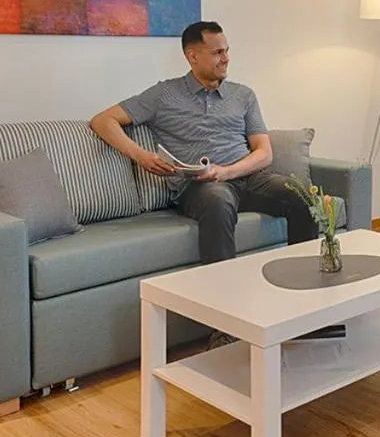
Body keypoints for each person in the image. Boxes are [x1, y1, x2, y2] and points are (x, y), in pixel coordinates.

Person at [90, 21, 317, 268]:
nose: (226, 59)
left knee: (301, 192)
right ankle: (221, 294)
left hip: (247, 177)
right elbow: (103, 121)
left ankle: (302, 274)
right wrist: (141, 155)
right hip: (199, 186)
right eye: (218, 53)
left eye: (227, 50)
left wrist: (227, 171)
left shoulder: (243, 95)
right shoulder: (164, 94)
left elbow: (264, 153)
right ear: (193, 56)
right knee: (217, 200)